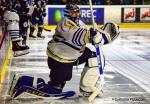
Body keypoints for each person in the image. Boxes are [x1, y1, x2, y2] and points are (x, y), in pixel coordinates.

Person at [9, 3, 119, 98]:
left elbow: (90, 34)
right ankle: (23, 81)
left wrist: (101, 34)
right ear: (67, 13)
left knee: (93, 57)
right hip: (60, 60)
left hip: (72, 55)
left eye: (77, 12)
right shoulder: (65, 25)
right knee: (55, 89)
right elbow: (79, 36)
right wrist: (95, 36)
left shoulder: (78, 23)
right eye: (73, 13)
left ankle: (86, 89)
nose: (76, 14)